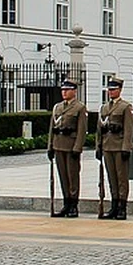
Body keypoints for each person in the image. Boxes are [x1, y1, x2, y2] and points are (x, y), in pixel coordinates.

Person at [96, 77, 133, 220]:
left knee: (121, 178)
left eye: (113, 89)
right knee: (111, 177)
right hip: (107, 146)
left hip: (119, 146)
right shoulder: (104, 108)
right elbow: (99, 130)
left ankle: (122, 207)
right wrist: (98, 147)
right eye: (109, 90)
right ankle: (114, 204)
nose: (110, 92)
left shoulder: (125, 107)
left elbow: (129, 129)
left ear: (119, 90)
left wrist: (126, 147)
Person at [47, 79, 88, 218]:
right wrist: (50, 146)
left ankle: (73, 205)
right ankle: (66, 202)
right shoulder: (57, 107)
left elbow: (82, 130)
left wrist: (78, 147)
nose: (64, 92)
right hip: (58, 145)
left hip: (71, 147)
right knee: (63, 176)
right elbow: (52, 129)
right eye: (63, 90)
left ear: (74, 91)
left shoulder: (79, 108)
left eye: (67, 90)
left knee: (72, 177)